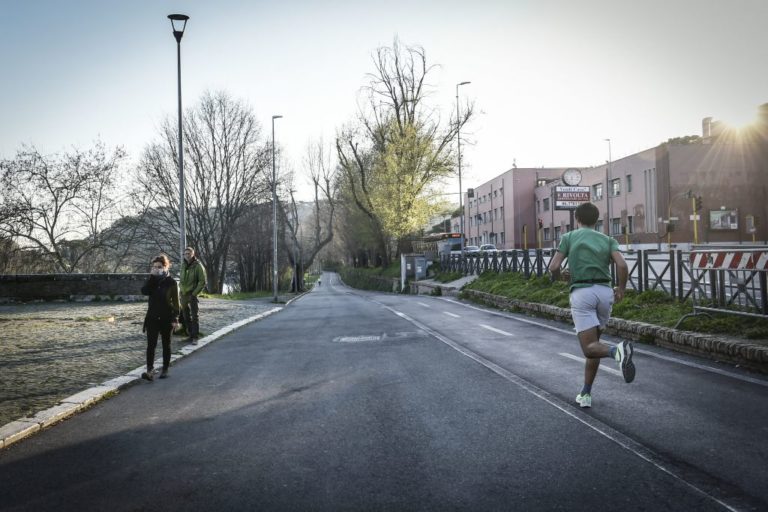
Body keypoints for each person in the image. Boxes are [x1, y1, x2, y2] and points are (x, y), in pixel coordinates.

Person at [548, 202, 633, 409]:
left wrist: (560, 278)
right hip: (605, 293)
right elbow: (621, 265)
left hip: (582, 293)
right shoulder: (607, 239)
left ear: (576, 218)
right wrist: (621, 289)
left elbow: (554, 266)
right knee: (595, 345)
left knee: (588, 348)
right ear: (597, 220)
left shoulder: (569, 237)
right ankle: (586, 393)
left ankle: (617, 352)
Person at [141, 254, 180, 381]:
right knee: (151, 345)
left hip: (166, 318)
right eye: (154, 267)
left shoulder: (171, 282)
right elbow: (144, 291)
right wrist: (152, 278)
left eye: (159, 267)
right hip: (152, 317)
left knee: (166, 344)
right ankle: (150, 371)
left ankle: (165, 369)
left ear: (165, 267)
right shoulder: (152, 281)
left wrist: (175, 318)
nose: (156, 269)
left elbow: (176, 302)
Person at [180, 246, 207, 343]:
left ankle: (195, 337)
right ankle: (190, 335)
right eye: (185, 254)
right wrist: (181, 290)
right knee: (185, 315)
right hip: (183, 294)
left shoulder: (198, 266)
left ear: (193, 254)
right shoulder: (183, 265)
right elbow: (181, 280)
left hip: (192, 293)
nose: (187, 255)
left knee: (194, 316)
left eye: (189, 253)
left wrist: (194, 293)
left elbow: (202, 281)